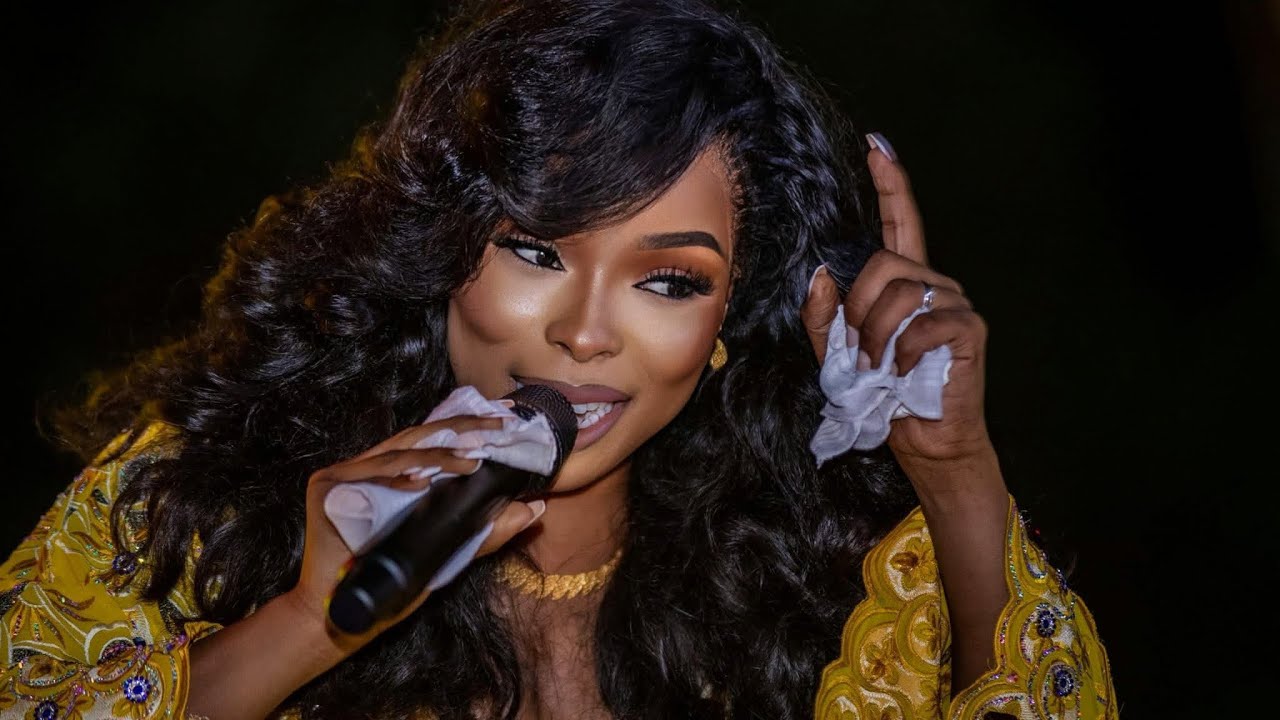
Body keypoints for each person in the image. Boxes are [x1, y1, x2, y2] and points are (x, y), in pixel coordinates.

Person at [0, 0, 1116, 717]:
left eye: (667, 280)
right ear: (441, 251)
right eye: (536, 251)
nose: (585, 332)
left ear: (725, 321)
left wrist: (956, 478)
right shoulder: (199, 502)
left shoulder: (817, 587)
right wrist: (304, 624)